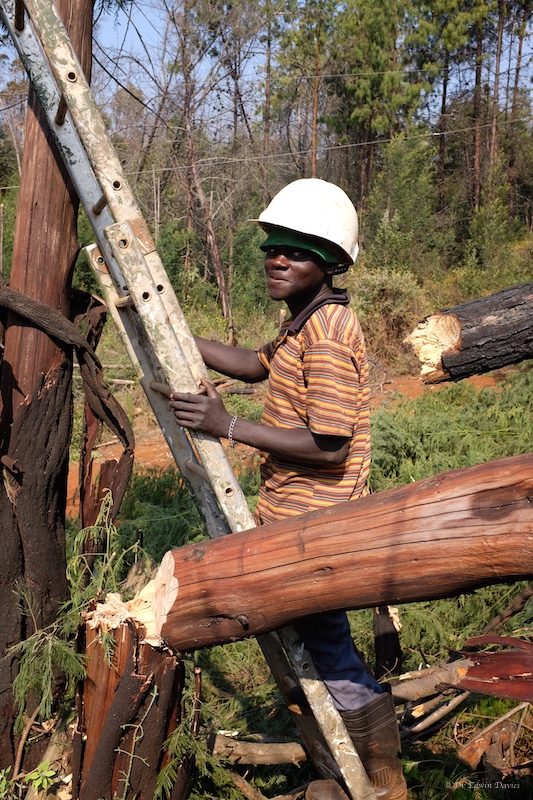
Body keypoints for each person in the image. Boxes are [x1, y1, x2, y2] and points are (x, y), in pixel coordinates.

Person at [170, 178, 407, 800]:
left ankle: (382, 781)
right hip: (293, 517)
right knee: (315, 644)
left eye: (297, 251)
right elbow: (254, 363)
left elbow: (330, 444)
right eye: (273, 246)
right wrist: (172, 332)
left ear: (329, 263)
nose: (278, 258)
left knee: (329, 650)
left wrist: (229, 425)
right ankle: (339, 767)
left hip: (317, 525)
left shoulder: (326, 335)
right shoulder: (303, 321)